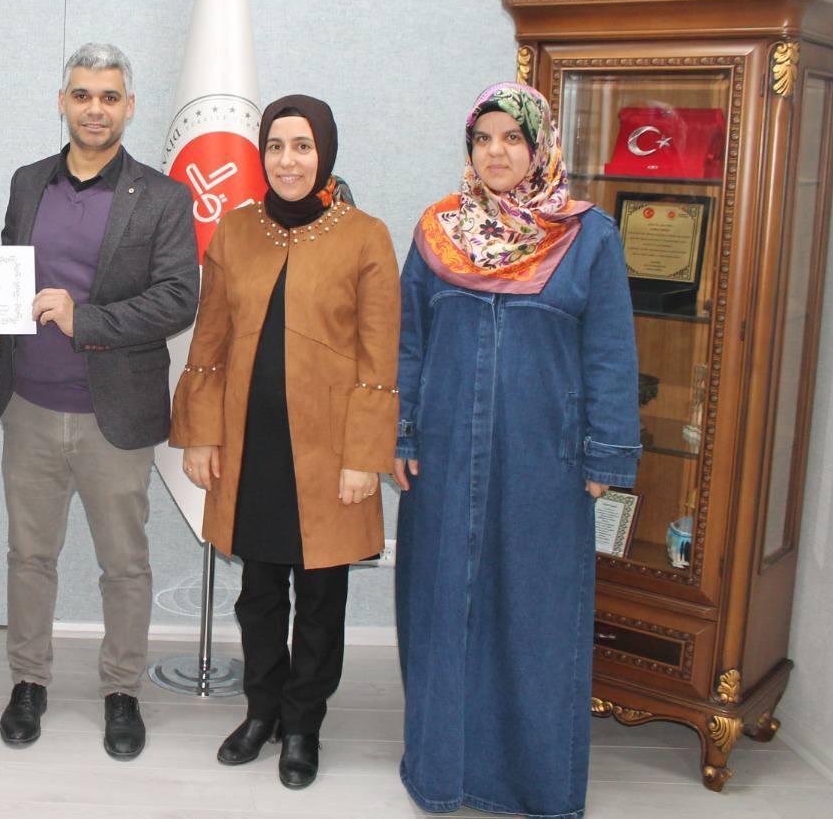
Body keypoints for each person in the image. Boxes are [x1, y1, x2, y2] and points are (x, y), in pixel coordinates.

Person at [394, 82, 641, 818]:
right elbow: (409, 342)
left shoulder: (588, 236)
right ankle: (441, 773)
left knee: (535, 618)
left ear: (540, 147)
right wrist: (402, 431)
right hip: (443, 457)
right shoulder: (438, 232)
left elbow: (611, 353)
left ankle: (534, 786)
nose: (496, 152)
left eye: (512, 138)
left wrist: (606, 456)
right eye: (483, 139)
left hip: (546, 462)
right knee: (443, 608)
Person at [0, 43, 198, 760]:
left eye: (109, 97)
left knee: (124, 564)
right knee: (29, 556)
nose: (95, 109)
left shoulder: (163, 196)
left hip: (114, 417)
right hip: (29, 406)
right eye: (83, 95)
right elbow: (8, 272)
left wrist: (83, 317)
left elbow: (178, 299)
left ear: (130, 107)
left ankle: (122, 691)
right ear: (62, 101)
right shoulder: (27, 181)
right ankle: (28, 682)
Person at [171, 95, 400, 789]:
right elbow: (208, 345)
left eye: (302, 146)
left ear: (324, 153)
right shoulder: (235, 231)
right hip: (251, 449)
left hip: (330, 455)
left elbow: (379, 361)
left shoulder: (365, 236)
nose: (287, 160)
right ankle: (261, 711)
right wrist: (200, 435)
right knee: (259, 594)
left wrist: (363, 457)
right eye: (275, 146)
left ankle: (303, 726)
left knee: (321, 598)